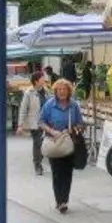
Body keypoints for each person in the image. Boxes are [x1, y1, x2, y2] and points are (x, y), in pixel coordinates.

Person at [37, 78, 85, 213]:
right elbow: (40, 122)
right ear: (55, 91)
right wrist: (52, 131)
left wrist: (73, 129)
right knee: (57, 172)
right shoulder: (49, 105)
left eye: (65, 89)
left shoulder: (73, 105)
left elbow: (80, 123)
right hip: (53, 142)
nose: (62, 92)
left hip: (69, 142)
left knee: (67, 173)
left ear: (69, 91)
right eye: (59, 90)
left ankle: (64, 200)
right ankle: (59, 201)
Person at [17, 71, 49, 177]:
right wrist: (20, 125)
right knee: (38, 143)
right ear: (36, 81)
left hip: (47, 122)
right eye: (42, 78)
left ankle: (39, 160)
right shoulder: (29, 92)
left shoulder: (46, 91)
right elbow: (23, 109)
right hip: (35, 122)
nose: (44, 80)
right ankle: (37, 165)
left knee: (44, 144)